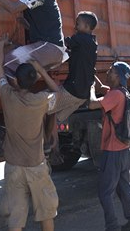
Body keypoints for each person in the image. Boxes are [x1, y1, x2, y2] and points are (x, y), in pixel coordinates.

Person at [0, 33, 60, 231]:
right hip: (36, 166)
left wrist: (0, 44)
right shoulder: (40, 101)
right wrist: (41, 70)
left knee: (16, 217)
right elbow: (57, 92)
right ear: (33, 81)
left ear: (15, 81)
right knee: (46, 211)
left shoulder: (7, 95)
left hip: (13, 166)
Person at [88, 62, 130, 231]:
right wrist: (93, 77)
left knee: (105, 192)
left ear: (118, 76)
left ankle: (112, 227)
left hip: (112, 152)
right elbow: (104, 87)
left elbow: (92, 104)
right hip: (124, 151)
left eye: (111, 71)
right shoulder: (123, 93)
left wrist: (90, 89)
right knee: (125, 188)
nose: (108, 73)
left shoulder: (114, 96)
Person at [46, 11, 99, 163]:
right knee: (55, 116)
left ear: (87, 26)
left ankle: (50, 146)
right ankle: (53, 148)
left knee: (45, 108)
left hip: (73, 90)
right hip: (82, 95)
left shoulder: (80, 39)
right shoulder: (92, 42)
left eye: (77, 24)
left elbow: (64, 42)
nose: (75, 27)